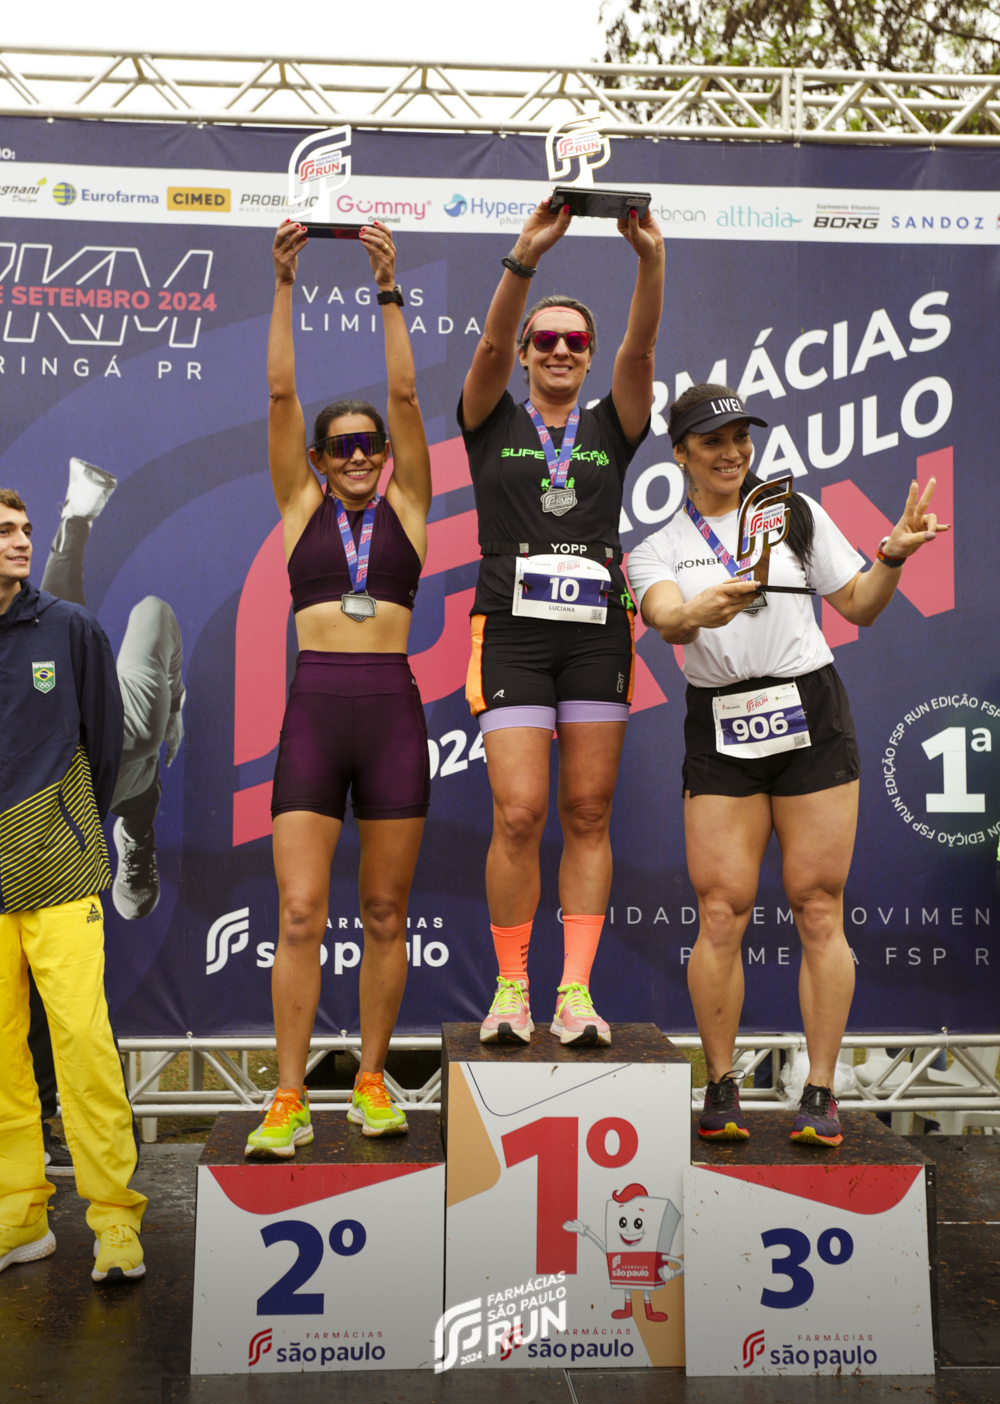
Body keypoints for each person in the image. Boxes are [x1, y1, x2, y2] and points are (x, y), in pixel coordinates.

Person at [627, 385, 948, 1146]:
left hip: (810, 711)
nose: (732, 452)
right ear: (680, 454)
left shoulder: (795, 514)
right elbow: (666, 616)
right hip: (721, 723)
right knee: (721, 909)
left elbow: (860, 604)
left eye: (741, 437)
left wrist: (892, 555)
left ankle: (821, 1090)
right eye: (713, 440)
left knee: (817, 905)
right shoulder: (655, 548)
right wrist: (699, 612)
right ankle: (721, 1085)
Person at [459, 197, 664, 1047]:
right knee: (518, 813)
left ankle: (574, 992)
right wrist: (526, 255)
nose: (558, 351)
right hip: (510, 631)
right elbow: (488, 345)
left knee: (587, 811)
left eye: (574, 341)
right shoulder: (491, 418)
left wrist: (649, 260)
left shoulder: (613, 424)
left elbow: (638, 349)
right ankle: (512, 987)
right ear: (526, 353)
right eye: (544, 339)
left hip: (595, 634)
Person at [246, 218, 432, 1155]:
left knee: (386, 914)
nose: (359, 456)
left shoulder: (410, 504)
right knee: (298, 913)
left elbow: (405, 392)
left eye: (369, 445)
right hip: (315, 713)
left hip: (391, 712)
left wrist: (386, 285)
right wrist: (284, 282)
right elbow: (282, 391)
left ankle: (368, 1079)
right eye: (341, 447)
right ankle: (288, 1096)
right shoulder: (298, 505)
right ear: (318, 459)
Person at [0, 490, 147, 1281]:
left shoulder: (70, 628)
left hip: (59, 875)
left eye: (26, 530)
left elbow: (107, 743)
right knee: (0, 1062)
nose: (21, 542)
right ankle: (20, 1217)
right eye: (4, 532)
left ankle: (115, 1221)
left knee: (83, 1050)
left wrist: (67, 827)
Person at [40, 456, 186, 921]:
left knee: (53, 631)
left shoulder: (136, 724)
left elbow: (155, 613)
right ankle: (136, 831)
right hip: (104, 763)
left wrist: (174, 705)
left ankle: (135, 835)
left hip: (122, 746)